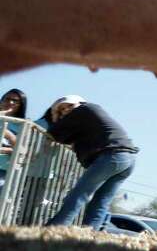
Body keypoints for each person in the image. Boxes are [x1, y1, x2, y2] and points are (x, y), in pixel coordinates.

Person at [43, 95, 139, 230]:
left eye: (70, 105)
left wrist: (54, 115)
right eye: (62, 110)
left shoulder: (85, 109)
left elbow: (54, 133)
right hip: (127, 159)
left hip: (112, 156)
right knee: (100, 202)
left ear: (81, 103)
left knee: (78, 195)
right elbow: (63, 137)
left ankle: (52, 230)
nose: (66, 110)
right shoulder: (87, 120)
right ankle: (90, 236)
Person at [1, 88, 29, 187]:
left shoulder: (23, 125)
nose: (10, 102)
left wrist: (6, 132)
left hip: (4, 170)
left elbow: (21, 149)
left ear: (21, 105)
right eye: (7, 99)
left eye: (15, 101)